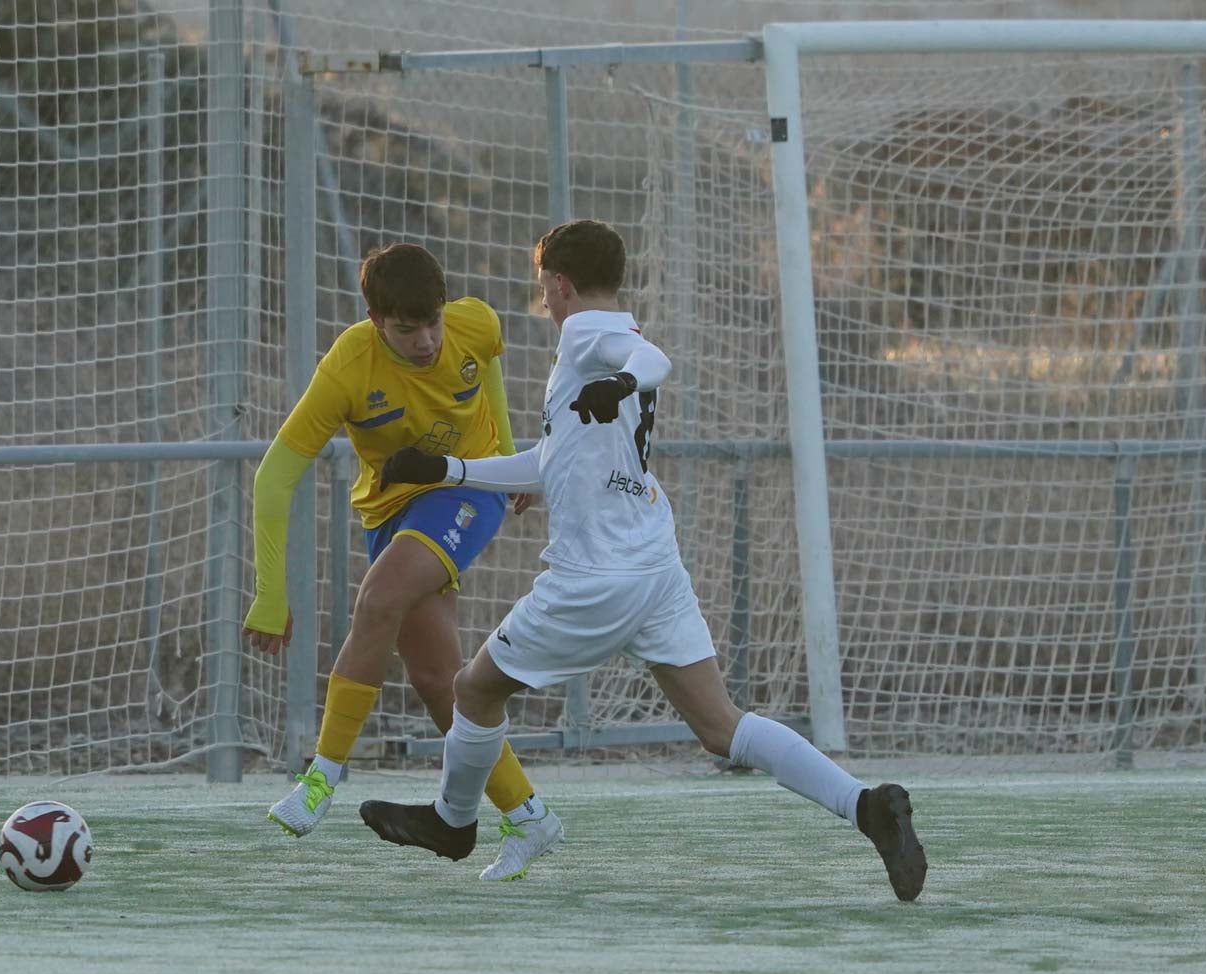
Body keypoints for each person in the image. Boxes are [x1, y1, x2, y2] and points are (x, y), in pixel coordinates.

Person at [358, 220, 928, 901]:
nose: (544, 301)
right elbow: (548, 461)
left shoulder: (586, 334)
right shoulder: (600, 341)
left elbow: (651, 358)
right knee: (723, 727)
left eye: (545, 288)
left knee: (473, 690)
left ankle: (454, 822)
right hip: (655, 566)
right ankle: (865, 805)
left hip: (593, 576)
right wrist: (449, 469)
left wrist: (624, 378)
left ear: (561, 283)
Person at [244, 242, 565, 882]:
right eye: (406, 328)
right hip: (391, 511)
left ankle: (321, 778)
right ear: (374, 319)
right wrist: (270, 593)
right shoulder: (347, 368)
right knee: (439, 680)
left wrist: (503, 459)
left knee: (378, 597)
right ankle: (529, 815)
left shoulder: (474, 322)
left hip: (466, 490)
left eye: (433, 323)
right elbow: (274, 477)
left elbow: (489, 362)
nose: (426, 340)